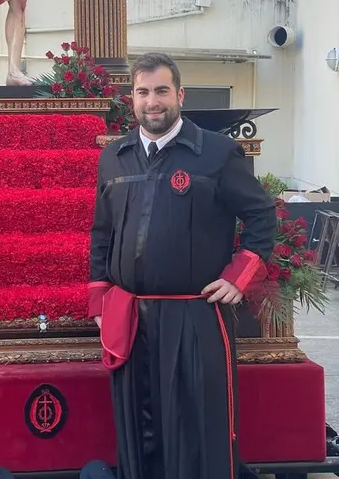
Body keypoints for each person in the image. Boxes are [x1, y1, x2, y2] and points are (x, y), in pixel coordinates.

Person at [88, 52, 277, 479]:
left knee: (197, 423)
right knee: (139, 421)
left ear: (180, 95)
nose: (152, 101)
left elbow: (262, 214)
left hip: (194, 315)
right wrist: (100, 301)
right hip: (130, 316)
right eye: (142, 92)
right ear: (131, 98)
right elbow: (102, 233)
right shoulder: (114, 157)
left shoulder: (216, 153)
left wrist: (239, 276)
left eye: (161, 91)